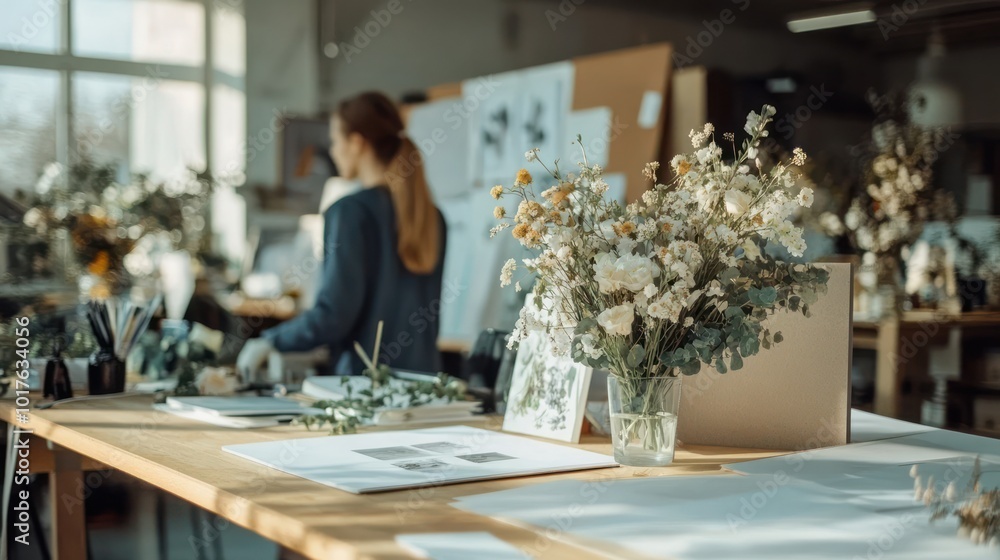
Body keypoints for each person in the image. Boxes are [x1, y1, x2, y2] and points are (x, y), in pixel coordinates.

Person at [237, 92, 446, 378]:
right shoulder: (433, 217)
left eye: (335, 141)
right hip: (426, 384)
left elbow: (333, 315)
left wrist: (271, 340)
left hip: (364, 388)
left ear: (357, 143)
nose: (333, 151)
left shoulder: (350, 212)